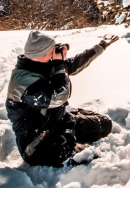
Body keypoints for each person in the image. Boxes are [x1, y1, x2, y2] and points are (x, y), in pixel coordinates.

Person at [6, 31, 119, 167]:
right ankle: (70, 146)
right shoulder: (23, 83)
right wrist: (59, 65)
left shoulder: (41, 64)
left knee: (104, 124)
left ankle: (71, 125)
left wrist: (100, 47)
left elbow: (74, 64)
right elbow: (59, 96)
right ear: (42, 54)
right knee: (91, 157)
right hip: (38, 144)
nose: (55, 52)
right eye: (52, 50)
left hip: (58, 122)